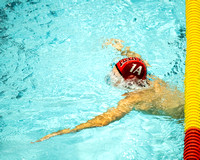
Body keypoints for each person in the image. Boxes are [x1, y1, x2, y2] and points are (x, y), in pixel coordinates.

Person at [32, 39, 184, 143]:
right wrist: (120, 47)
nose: (111, 76)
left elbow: (103, 121)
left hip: (184, 120)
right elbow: (136, 58)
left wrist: (68, 131)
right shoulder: (149, 77)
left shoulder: (133, 98)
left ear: (128, 82)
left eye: (114, 75)